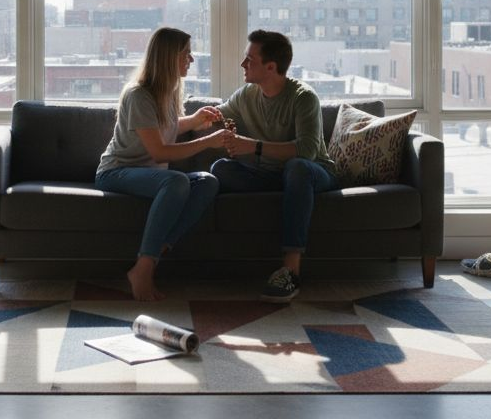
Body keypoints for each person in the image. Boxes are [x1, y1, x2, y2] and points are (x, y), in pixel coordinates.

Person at [96, 27, 230, 301]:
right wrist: (208, 141)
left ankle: (153, 255)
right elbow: (158, 151)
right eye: (186, 54)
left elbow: (163, 128)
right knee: (176, 180)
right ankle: (143, 269)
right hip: (116, 172)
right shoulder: (139, 95)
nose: (191, 60)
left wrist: (192, 121)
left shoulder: (168, 92)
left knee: (207, 181)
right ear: (169, 57)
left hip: (148, 174)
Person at [208, 30, 336, 303]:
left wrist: (252, 146)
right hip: (270, 175)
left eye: (249, 59)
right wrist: (179, 121)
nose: (243, 65)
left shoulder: (303, 97)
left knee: (297, 168)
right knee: (220, 169)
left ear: (271, 67)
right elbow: (217, 116)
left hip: (313, 173)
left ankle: (291, 270)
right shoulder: (246, 96)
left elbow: (307, 151)